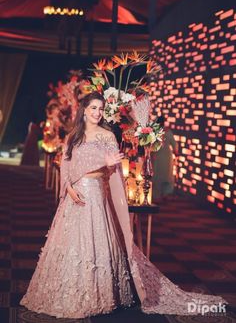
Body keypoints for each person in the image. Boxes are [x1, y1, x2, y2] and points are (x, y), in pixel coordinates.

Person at [20, 92, 227, 318]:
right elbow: (67, 165)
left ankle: (99, 294)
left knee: (98, 241)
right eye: (93, 108)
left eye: (100, 109)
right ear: (84, 110)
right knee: (71, 244)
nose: (97, 113)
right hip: (75, 196)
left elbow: (112, 170)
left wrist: (107, 164)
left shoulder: (107, 136)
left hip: (97, 195)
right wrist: (68, 188)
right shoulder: (73, 136)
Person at [151, 116, 178, 200]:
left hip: (157, 155)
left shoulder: (154, 132)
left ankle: (157, 196)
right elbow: (174, 144)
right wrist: (176, 152)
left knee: (157, 175)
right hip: (166, 155)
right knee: (166, 175)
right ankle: (165, 194)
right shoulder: (168, 131)